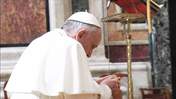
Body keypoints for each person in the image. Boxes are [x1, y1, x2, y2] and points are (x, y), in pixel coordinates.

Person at [5, 12, 121, 99]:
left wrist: (92, 82)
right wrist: (107, 89)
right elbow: (79, 96)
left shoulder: (43, 40)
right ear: (80, 35)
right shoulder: (72, 45)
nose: (89, 54)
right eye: (92, 46)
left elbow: (58, 82)